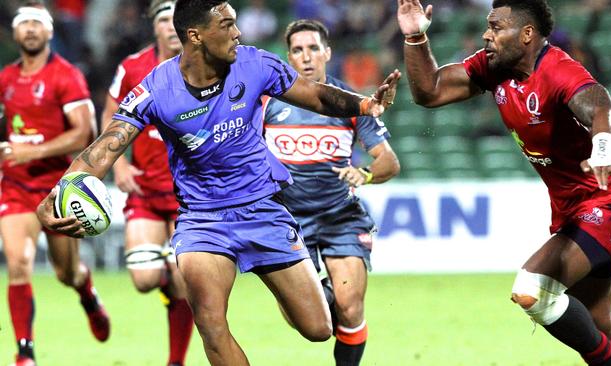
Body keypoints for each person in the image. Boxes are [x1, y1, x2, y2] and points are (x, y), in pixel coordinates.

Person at [36, 1, 400, 365]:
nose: (237, 33)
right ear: (195, 36)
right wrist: (57, 194)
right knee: (211, 324)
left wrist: (365, 105)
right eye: (227, 25)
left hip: (263, 208)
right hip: (202, 219)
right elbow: (104, 149)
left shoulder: (255, 63)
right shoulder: (156, 90)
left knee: (318, 328)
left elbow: (316, 95)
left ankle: (290, 287)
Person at [396, 1, 611, 365]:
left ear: (527, 34)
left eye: (496, 27)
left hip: (609, 206)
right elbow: (429, 92)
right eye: (488, 26)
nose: (486, 34)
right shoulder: (495, 67)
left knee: (532, 290)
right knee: (599, 324)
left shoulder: (558, 70)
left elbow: (602, 107)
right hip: (571, 211)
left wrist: (604, 147)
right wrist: (415, 36)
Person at [263, 19, 400, 366]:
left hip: (341, 215)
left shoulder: (350, 103)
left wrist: (365, 174)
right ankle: (319, 296)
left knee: (351, 307)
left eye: (313, 48)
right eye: (297, 50)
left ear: (327, 52)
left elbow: (389, 161)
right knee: (306, 322)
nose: (306, 56)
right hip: (287, 221)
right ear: (288, 57)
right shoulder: (266, 105)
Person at [0, 2, 109, 366]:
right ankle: (24, 352)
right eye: (24, 24)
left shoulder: (66, 76)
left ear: (49, 32)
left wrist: (35, 151)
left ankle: (87, 293)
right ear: (15, 33)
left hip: (56, 191)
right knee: (19, 263)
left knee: (66, 273)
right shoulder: (6, 79)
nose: (30, 29)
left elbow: (86, 132)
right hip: (15, 187)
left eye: (37, 23)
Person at [100, 1, 193, 365]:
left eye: (177, 21)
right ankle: (169, 283)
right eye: (165, 20)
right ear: (153, 26)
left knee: (185, 278)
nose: (172, 27)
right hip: (147, 190)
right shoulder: (133, 67)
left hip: (191, 194)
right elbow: (110, 114)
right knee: (144, 279)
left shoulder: (202, 64)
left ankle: (176, 360)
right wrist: (119, 164)